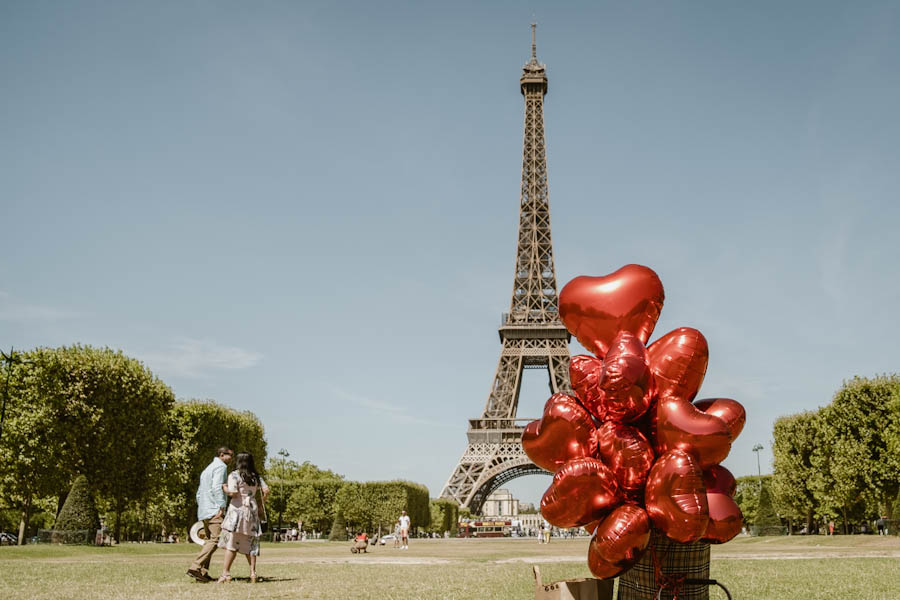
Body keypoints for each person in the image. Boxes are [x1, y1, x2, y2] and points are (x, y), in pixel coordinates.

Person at [217, 452, 269, 583]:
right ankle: (253, 573)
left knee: (231, 543)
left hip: (237, 511)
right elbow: (266, 490)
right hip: (251, 510)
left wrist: (225, 489)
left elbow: (233, 493)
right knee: (251, 543)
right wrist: (261, 502)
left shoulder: (234, 475)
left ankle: (226, 573)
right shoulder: (256, 476)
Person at [187, 447, 233, 583]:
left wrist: (202, 506)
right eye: (230, 455)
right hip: (214, 509)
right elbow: (217, 486)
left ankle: (202, 572)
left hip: (204, 509)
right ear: (222, 455)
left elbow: (199, 493)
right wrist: (221, 505)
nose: (232, 458)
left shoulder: (207, 469)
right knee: (216, 540)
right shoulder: (221, 467)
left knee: (208, 540)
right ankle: (195, 567)